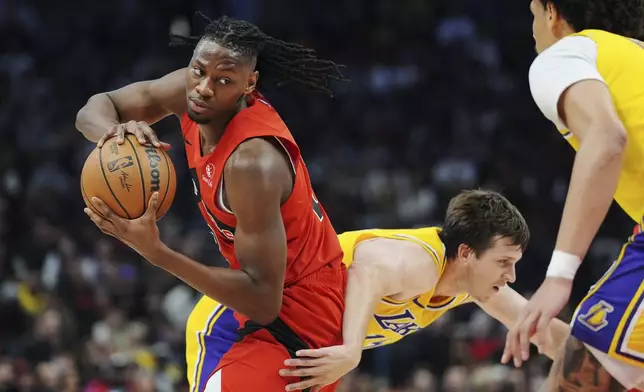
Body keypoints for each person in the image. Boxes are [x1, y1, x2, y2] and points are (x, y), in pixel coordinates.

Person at [76, 15, 349, 392]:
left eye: (223, 81)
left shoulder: (252, 163)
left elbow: (263, 299)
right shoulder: (187, 92)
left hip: (303, 318)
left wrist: (157, 253)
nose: (204, 88)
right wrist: (111, 133)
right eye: (198, 71)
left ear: (249, 84)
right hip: (257, 299)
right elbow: (97, 106)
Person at [280, 190, 570, 391]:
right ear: (467, 253)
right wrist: (351, 350)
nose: (512, 275)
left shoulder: (470, 284)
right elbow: (367, 267)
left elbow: (541, 329)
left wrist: (604, 362)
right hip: (279, 297)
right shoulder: (425, 262)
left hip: (292, 334)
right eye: (504, 262)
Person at [502, 1, 644, 390]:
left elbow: (606, 136)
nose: (533, 31)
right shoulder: (630, 56)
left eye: (532, 14)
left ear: (552, 13)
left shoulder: (564, 53)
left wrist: (559, 277)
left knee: (580, 369)